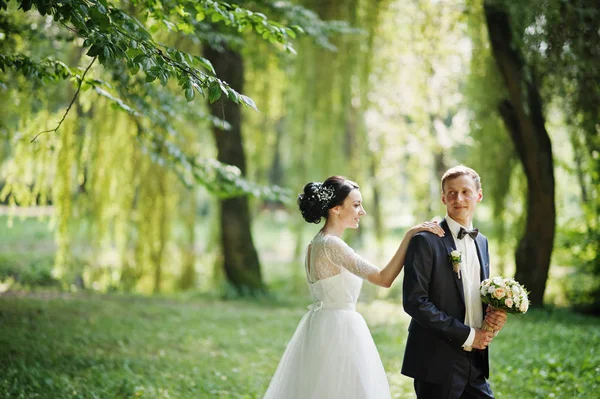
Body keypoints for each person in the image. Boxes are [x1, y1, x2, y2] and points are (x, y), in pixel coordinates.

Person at [263, 176, 445, 399]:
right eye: (356, 205)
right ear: (336, 209)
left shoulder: (316, 243)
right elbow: (383, 278)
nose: (363, 211)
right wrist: (410, 235)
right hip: (339, 328)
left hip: (321, 324)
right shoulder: (332, 245)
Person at [401, 165, 508, 398]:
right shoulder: (425, 241)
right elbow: (415, 302)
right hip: (436, 359)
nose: (458, 199)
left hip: (475, 360)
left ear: (479, 195)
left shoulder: (483, 242)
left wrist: (493, 313)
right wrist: (468, 335)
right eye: (451, 193)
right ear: (443, 198)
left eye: (465, 192)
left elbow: (472, 293)